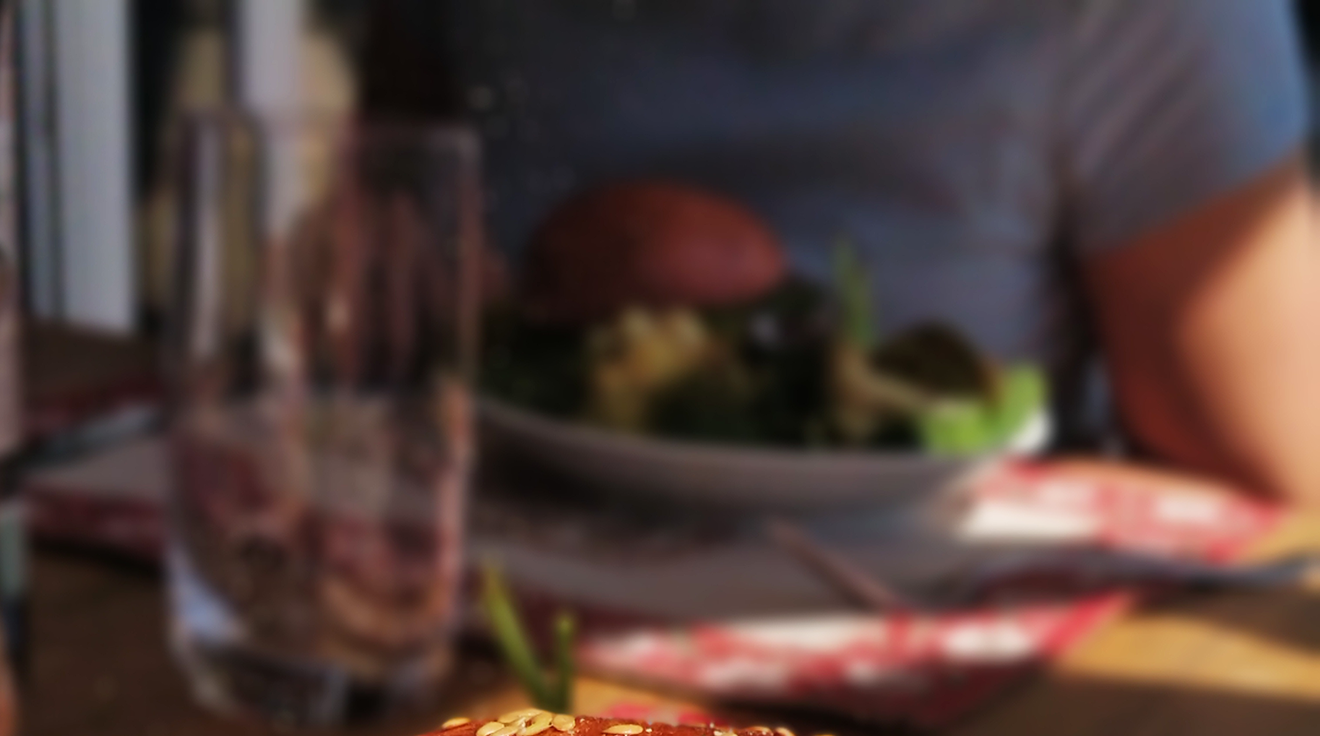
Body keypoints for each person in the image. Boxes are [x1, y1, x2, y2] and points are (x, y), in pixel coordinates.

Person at [362, 0, 1320, 503]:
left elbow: (1284, 474)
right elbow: (381, 265)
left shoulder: (1142, 16)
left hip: (952, 686)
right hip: (475, 618)